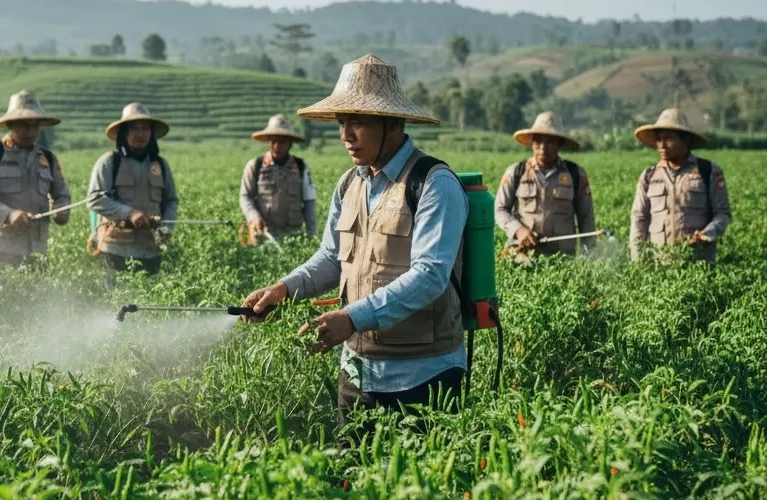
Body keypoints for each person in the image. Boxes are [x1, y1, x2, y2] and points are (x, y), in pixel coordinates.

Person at [242, 54, 469, 422]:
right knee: (350, 476)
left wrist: (352, 317)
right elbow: (331, 258)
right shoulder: (350, 184)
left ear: (392, 122)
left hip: (425, 376)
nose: (346, 134)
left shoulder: (433, 183)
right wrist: (285, 289)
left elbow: (430, 275)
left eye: (358, 122)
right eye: (341, 122)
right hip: (358, 373)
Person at [0, 91, 71, 267]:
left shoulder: (48, 158)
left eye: (34, 126)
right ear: (10, 125)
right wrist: (9, 215)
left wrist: (61, 210)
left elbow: (62, 195)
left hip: (37, 250)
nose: (30, 132)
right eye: (24, 126)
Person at [86, 103, 179, 276]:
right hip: (115, 249)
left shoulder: (160, 165)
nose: (140, 134)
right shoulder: (110, 162)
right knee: (116, 301)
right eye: (134, 128)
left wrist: (166, 227)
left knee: (148, 301)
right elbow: (95, 198)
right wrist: (129, 213)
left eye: (145, 128)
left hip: (151, 250)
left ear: (151, 133)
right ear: (124, 132)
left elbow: (171, 201)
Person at [630, 108, 731, 263]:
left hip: (698, 262)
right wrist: (638, 261)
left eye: (668, 138)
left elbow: (723, 214)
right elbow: (639, 220)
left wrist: (709, 232)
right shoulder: (649, 175)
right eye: (659, 139)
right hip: (658, 264)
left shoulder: (708, 171)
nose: (662, 145)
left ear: (686, 141)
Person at [494, 111, 595, 256]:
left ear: (559, 144)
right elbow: (500, 210)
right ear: (532, 143)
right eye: (538, 141)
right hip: (523, 255)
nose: (542, 147)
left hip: (563, 259)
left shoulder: (575, 174)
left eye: (549, 141)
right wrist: (519, 230)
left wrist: (590, 255)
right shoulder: (516, 172)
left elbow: (586, 218)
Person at [239, 114, 317, 239]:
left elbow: (309, 203)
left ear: (290, 143)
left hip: (293, 235)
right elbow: (245, 197)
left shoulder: (301, 167)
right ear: (268, 142)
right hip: (263, 233)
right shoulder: (255, 166)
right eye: (273, 141)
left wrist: (311, 235)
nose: (277, 147)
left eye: (282, 142)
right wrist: (253, 217)